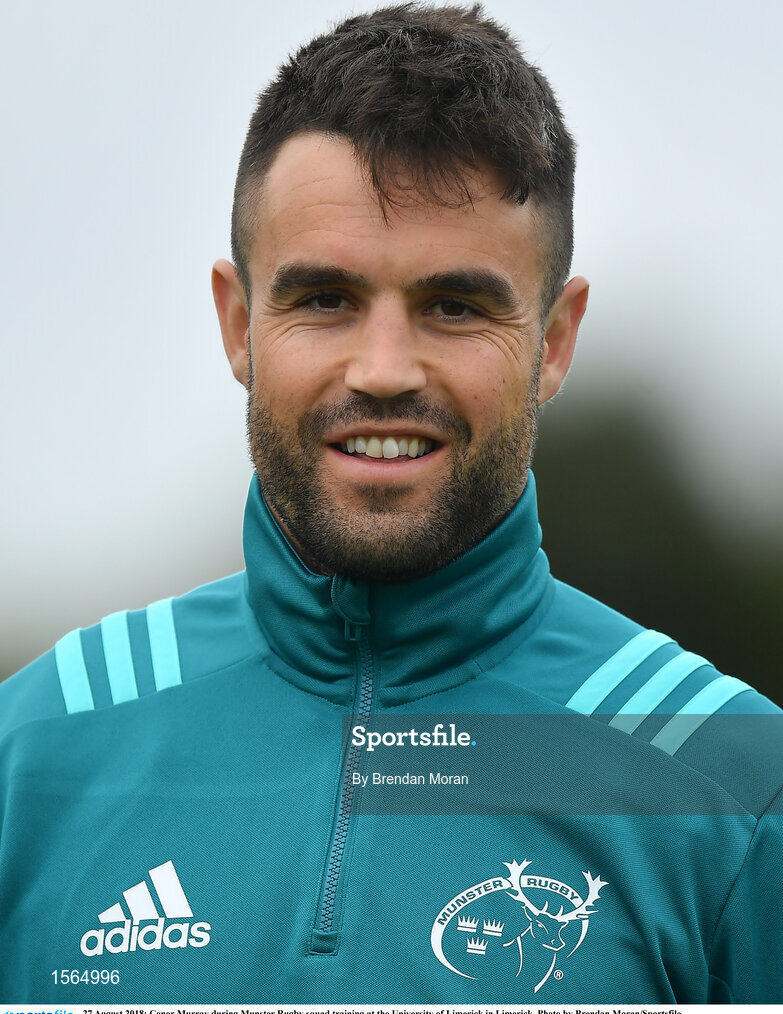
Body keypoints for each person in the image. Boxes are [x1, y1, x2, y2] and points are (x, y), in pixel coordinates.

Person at [1, 2, 781, 1004]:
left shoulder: (734, 786)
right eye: (324, 298)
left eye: (454, 306)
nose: (381, 370)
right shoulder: (36, 758)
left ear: (554, 341)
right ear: (239, 323)